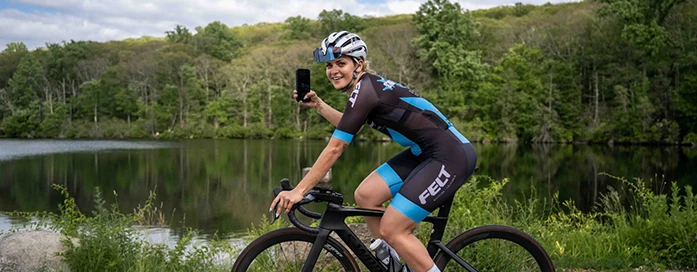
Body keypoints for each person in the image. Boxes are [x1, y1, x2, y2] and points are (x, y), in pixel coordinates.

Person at [270, 31, 477, 272]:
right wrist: (318, 104)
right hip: (424, 152)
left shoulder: (366, 91)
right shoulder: (363, 89)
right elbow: (348, 125)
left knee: (393, 228)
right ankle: (394, 265)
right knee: (367, 195)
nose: (333, 71)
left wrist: (299, 190)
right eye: (329, 65)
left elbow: (336, 147)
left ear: (358, 64)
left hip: (450, 156)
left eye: (341, 63)